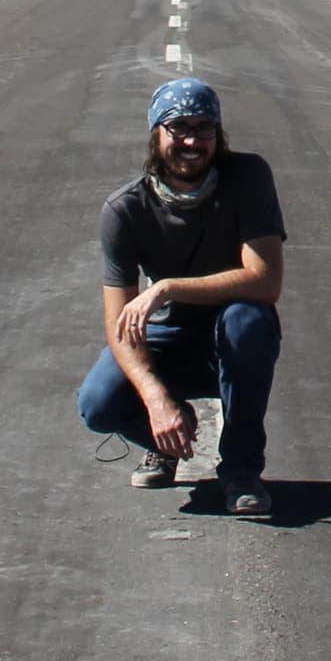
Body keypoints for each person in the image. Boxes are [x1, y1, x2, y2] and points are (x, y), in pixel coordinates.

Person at [77, 77, 288, 518]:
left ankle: (242, 470)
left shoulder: (247, 178)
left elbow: (265, 281)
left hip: (228, 338)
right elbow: (119, 325)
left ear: (219, 134)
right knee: (98, 403)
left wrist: (168, 287)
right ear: (156, 134)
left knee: (247, 320)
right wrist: (156, 398)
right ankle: (165, 443)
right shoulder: (125, 210)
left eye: (203, 127)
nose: (192, 140)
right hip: (168, 341)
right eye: (178, 128)